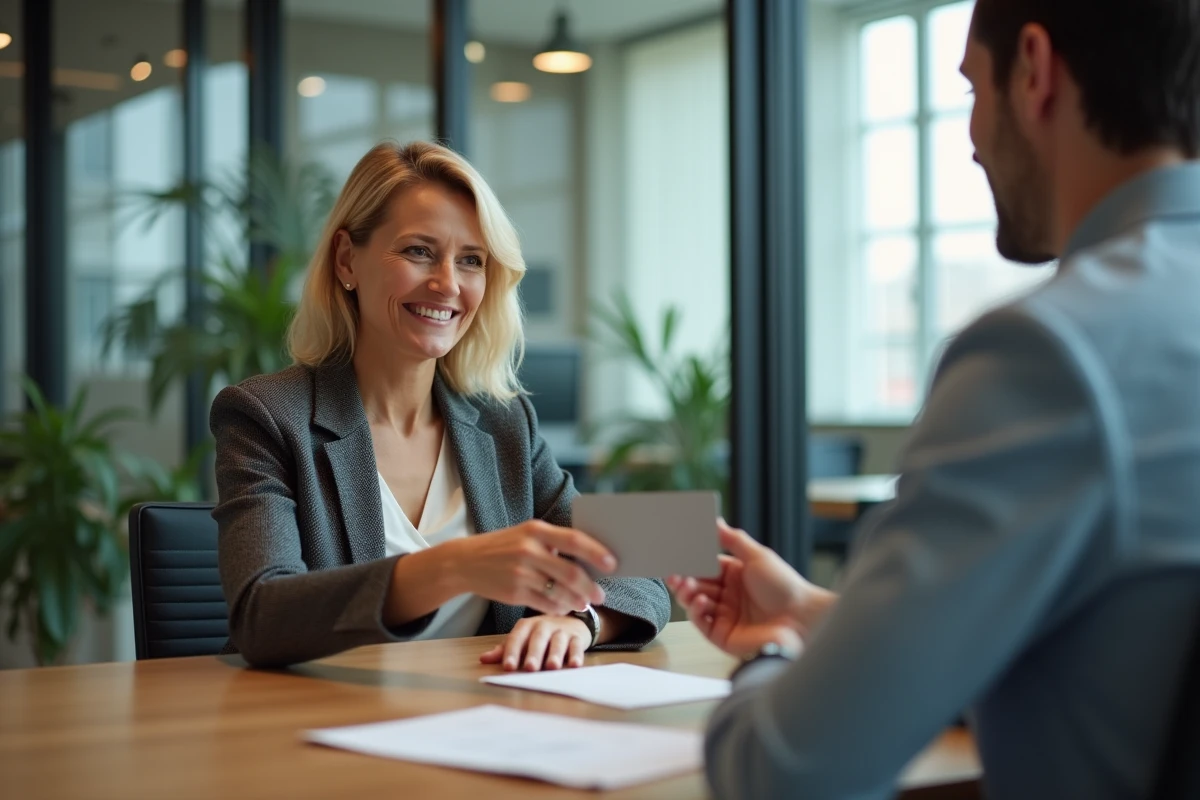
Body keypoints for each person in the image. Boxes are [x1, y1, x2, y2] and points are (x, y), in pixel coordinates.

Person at [668, 1, 1200, 797]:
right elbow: (1109, 664)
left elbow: (786, 774)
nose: (973, 142)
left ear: (1034, 69)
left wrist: (774, 651)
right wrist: (816, 612)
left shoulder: (1051, 354)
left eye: (972, 91)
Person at [212, 141, 670, 670]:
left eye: (471, 260)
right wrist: (452, 567)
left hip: (477, 710)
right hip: (322, 714)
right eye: (418, 251)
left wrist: (580, 622)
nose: (447, 284)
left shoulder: (505, 422)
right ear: (346, 259)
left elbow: (641, 565)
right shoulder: (266, 415)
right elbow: (262, 616)